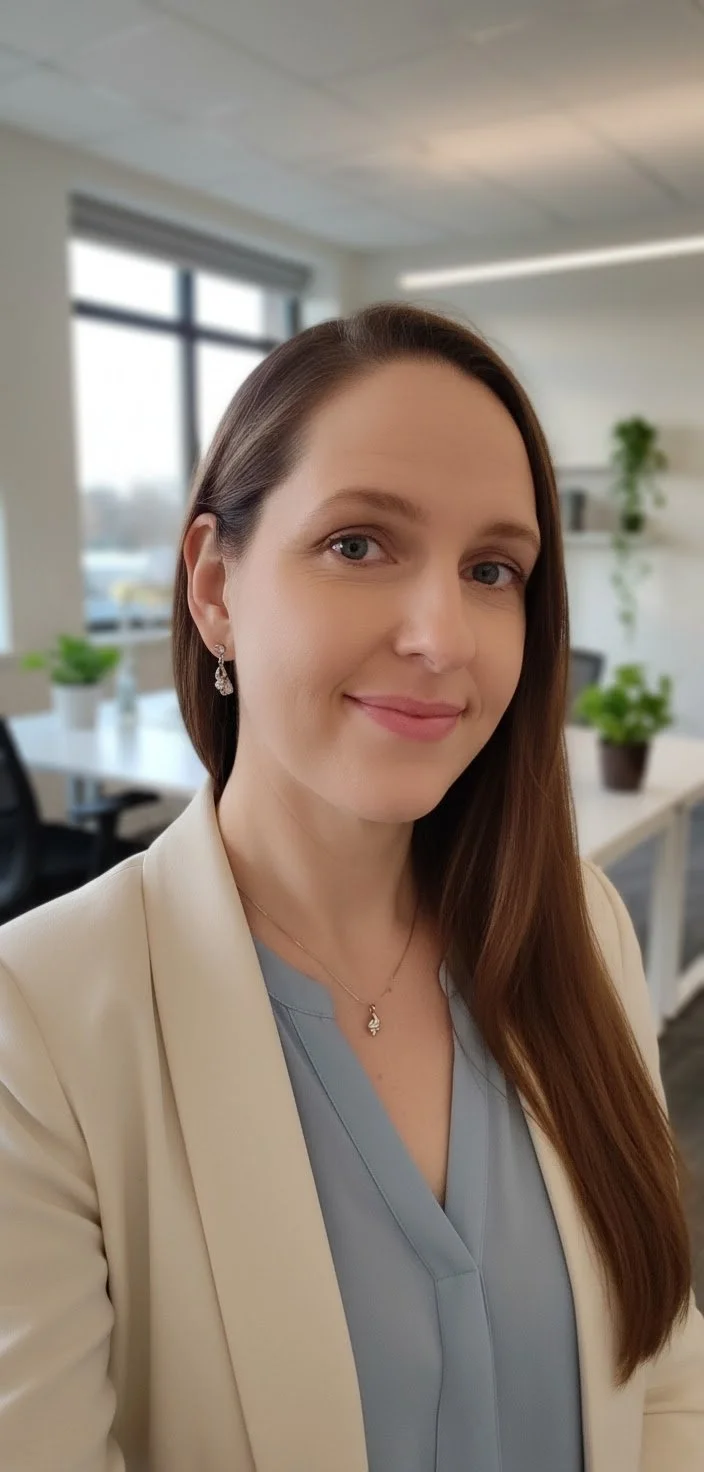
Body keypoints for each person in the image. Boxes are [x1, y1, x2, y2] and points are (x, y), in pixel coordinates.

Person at [0, 303, 702, 1472]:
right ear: (215, 586)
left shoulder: (576, 924)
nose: (444, 636)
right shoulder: (38, 1028)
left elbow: (664, 1363)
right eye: (358, 544)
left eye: (492, 569)